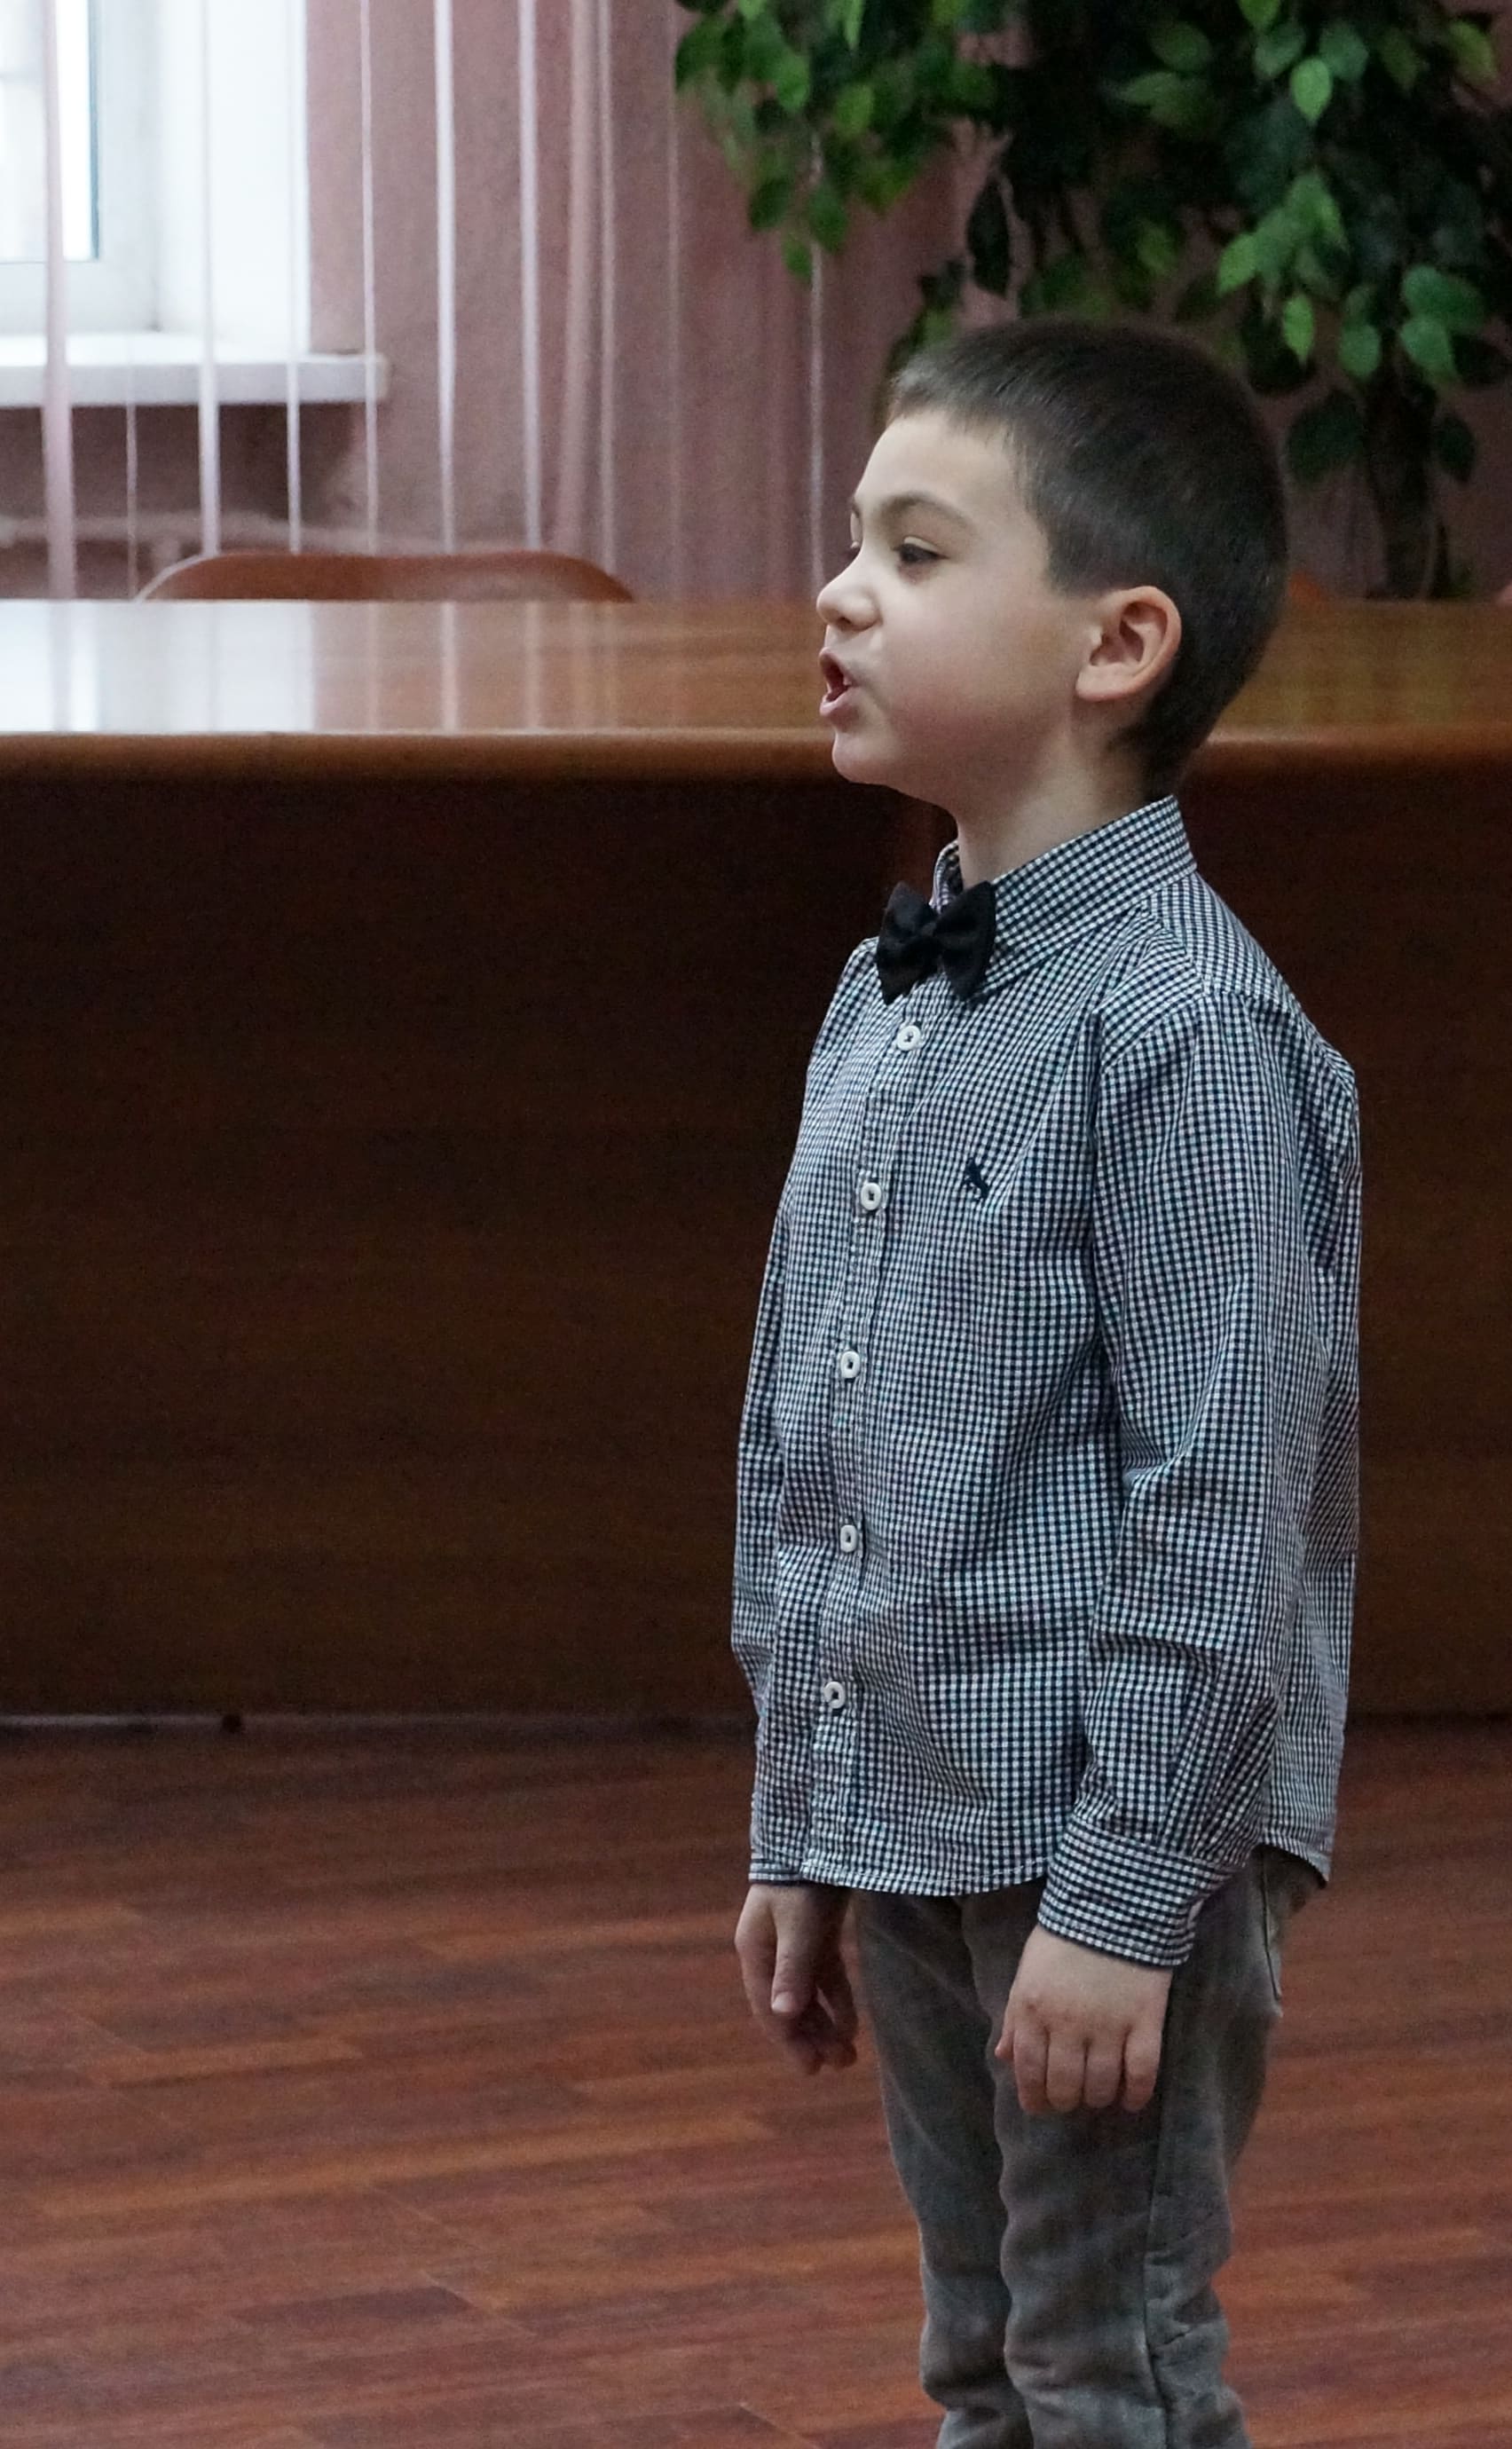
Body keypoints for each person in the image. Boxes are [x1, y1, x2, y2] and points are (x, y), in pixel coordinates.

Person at [729, 317, 1360, 2448]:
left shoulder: (1191, 1035)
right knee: (983, 2358)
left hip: (1102, 1849)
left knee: (1111, 2369)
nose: (841, 595)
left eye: (916, 554)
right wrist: (802, 1819)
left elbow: (1222, 1508)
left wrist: (1121, 1907)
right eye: (854, 544)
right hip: (910, 1816)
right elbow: (806, 1437)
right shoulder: (886, 994)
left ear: (1118, 645)